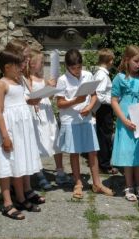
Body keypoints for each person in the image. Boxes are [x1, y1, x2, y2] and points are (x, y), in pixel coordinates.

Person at [55, 49, 114, 199]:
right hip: (70, 119)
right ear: (67, 67)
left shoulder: (87, 75)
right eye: (73, 68)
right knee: (74, 152)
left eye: (79, 67)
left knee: (92, 151)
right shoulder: (62, 79)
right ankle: (78, 183)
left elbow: (94, 95)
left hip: (86, 118)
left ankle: (97, 183)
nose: (77, 71)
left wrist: (89, 107)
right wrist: (76, 100)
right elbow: (60, 103)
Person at [0, 50, 43, 220]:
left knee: (19, 163)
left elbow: (22, 101)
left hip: (22, 129)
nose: (22, 67)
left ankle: (21, 197)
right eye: (18, 65)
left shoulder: (19, 80)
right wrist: (5, 136)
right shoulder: (2, 84)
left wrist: (32, 101)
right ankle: (7, 202)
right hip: (9, 130)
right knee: (7, 165)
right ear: (7, 67)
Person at [5, 39, 46, 205]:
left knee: (27, 154)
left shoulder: (21, 76)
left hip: (25, 121)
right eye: (26, 56)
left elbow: (25, 98)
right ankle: (17, 190)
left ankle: (27, 188)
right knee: (17, 159)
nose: (28, 60)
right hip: (14, 124)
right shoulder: (6, 79)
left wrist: (33, 100)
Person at [26, 49, 73, 189]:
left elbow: (48, 97)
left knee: (55, 140)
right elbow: (31, 96)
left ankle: (60, 171)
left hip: (48, 112)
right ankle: (39, 173)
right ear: (33, 64)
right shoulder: (28, 80)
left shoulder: (42, 79)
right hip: (37, 113)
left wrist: (52, 89)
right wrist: (47, 87)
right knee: (38, 142)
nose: (42, 64)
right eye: (41, 62)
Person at [110, 45, 139, 202]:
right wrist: (123, 119)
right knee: (127, 153)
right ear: (127, 60)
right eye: (135, 61)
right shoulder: (119, 78)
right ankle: (128, 185)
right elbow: (113, 101)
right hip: (125, 121)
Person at [93, 48, 118, 175]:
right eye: (112, 59)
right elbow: (100, 94)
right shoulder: (102, 75)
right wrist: (113, 101)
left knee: (104, 135)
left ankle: (104, 162)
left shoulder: (100, 74)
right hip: (104, 108)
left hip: (103, 108)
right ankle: (105, 164)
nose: (113, 62)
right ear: (109, 61)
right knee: (105, 136)